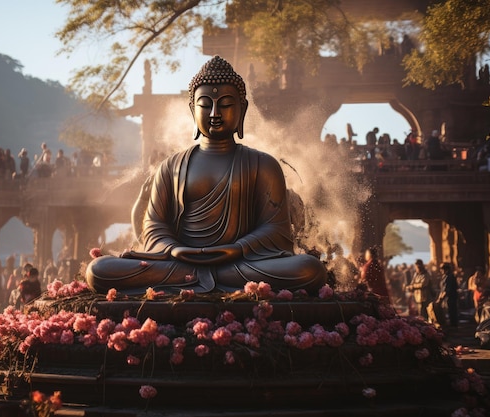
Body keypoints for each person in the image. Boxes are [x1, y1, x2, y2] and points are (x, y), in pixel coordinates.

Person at [86, 55, 327, 294]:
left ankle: (198, 279)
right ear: (193, 110)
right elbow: (154, 226)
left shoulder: (263, 164)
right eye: (205, 104)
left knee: (308, 269)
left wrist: (237, 249)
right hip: (179, 263)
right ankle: (199, 277)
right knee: (99, 269)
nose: (214, 113)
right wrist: (174, 250)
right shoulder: (170, 166)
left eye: (225, 104)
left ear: (242, 109)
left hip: (240, 264)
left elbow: (275, 230)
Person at [437, 262, 458, 327]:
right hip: (447, 297)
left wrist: (440, 299)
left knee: (451, 312)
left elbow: (447, 290)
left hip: (451, 297)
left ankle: (453, 326)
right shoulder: (445, 276)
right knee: (448, 311)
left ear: (446, 269)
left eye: (442, 269)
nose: (441, 270)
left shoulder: (450, 277)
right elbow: (442, 289)